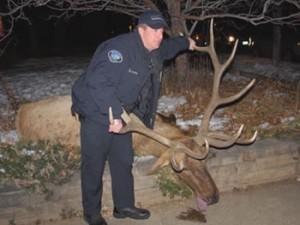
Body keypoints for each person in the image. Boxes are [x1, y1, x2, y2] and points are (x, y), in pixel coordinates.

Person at [71, 9, 196, 225]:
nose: (160, 35)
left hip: (120, 113)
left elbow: (168, 48)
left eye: (161, 31)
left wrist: (186, 42)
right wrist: (116, 114)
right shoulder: (118, 50)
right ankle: (91, 213)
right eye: (155, 31)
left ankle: (124, 206)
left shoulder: (152, 47)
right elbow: (98, 83)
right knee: (94, 164)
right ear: (141, 30)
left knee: (123, 161)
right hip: (96, 110)